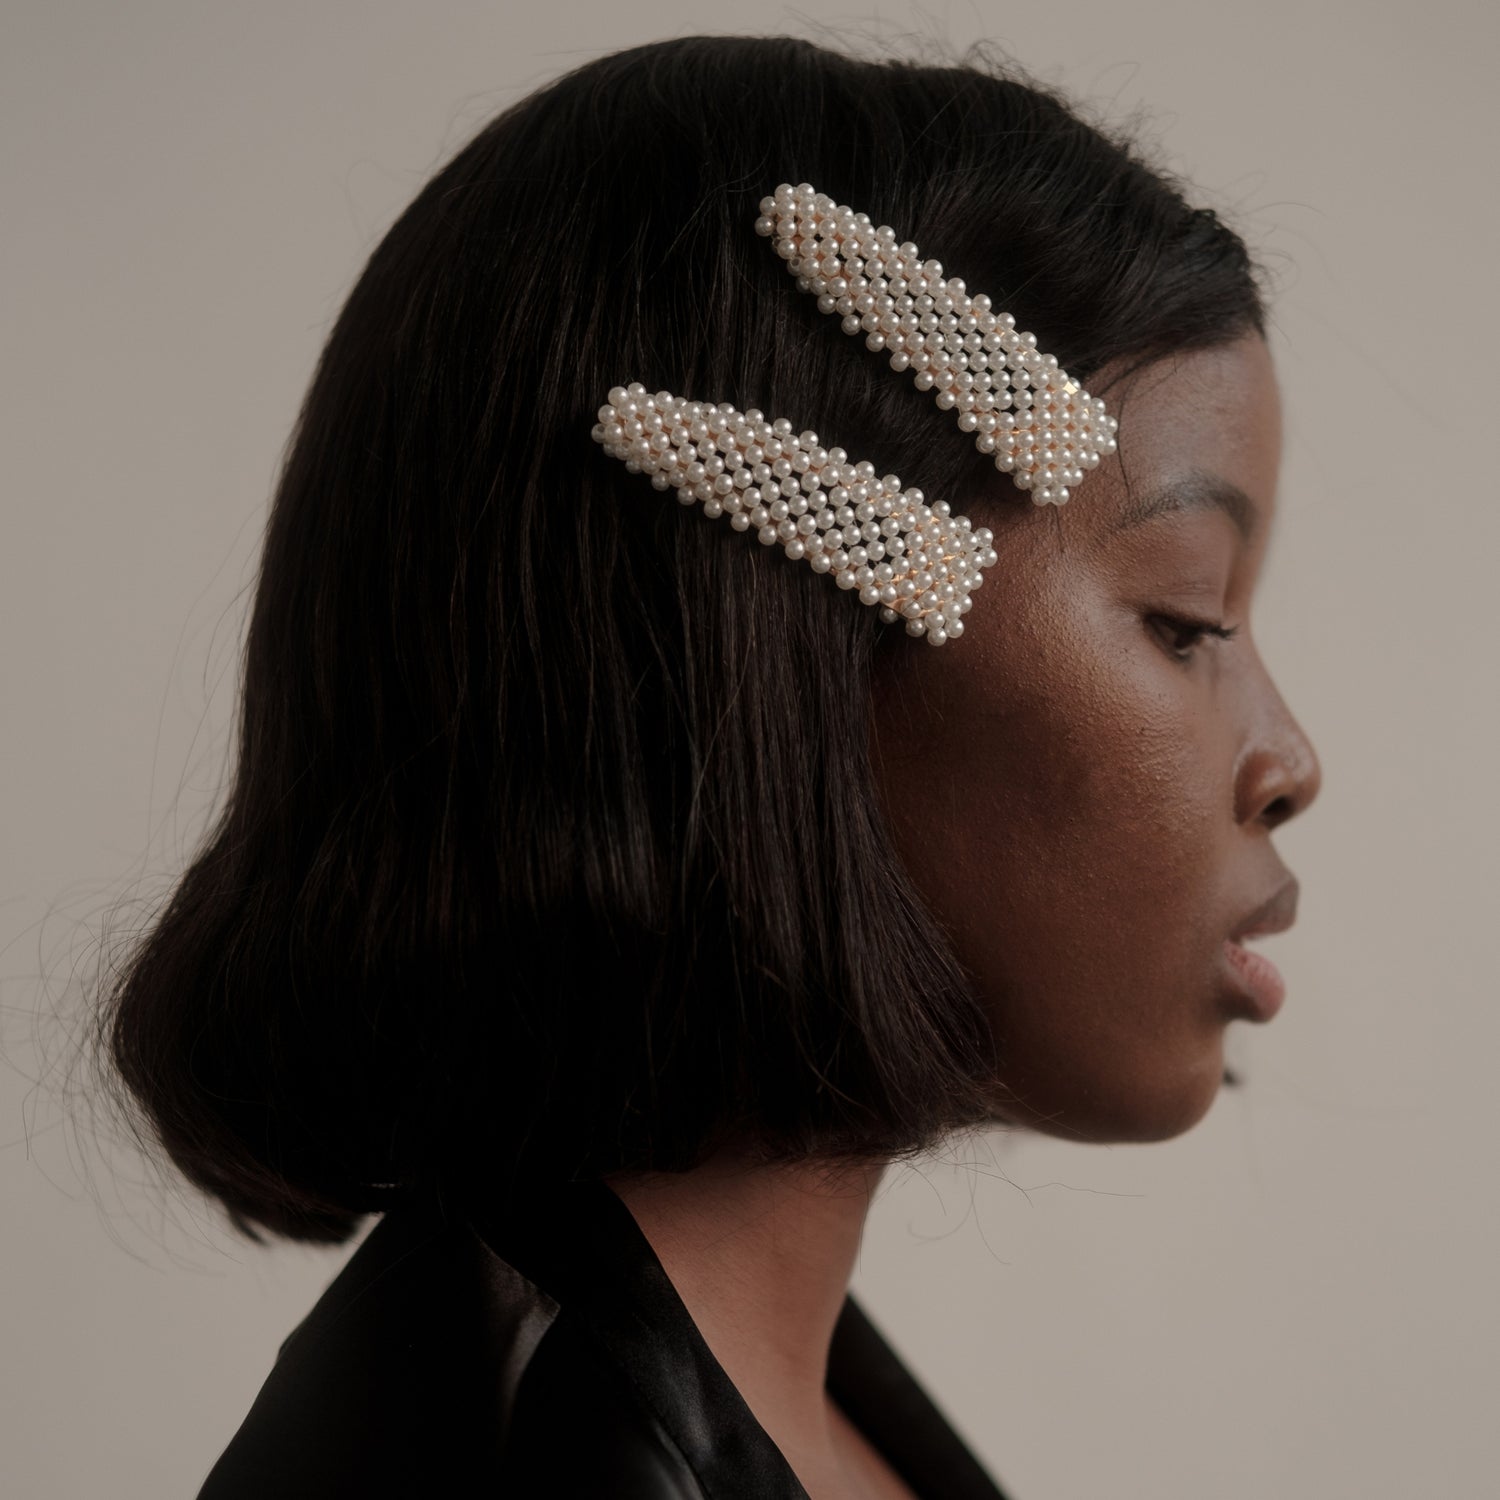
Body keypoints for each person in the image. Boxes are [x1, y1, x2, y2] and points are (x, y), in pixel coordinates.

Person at [90, 31, 1322, 1500]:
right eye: (1186, 618)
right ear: (785, 648)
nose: (1289, 758)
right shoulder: (540, 1460)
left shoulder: (756, 1403)